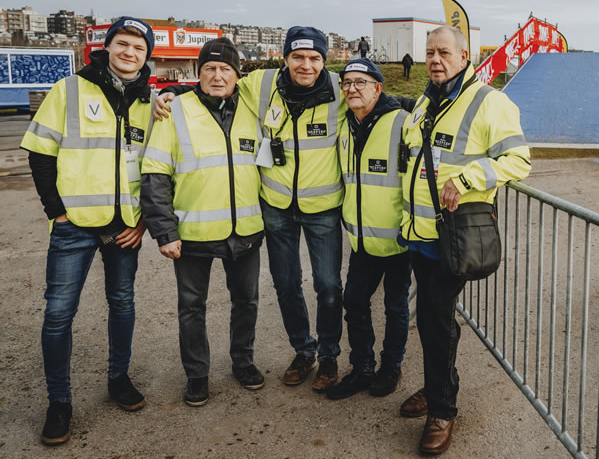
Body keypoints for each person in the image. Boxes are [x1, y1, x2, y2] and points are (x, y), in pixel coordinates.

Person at [152, 27, 348, 393]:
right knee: (287, 284)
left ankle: (331, 356)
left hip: (322, 208)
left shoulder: (339, 88)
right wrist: (168, 94)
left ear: (325, 61)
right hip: (275, 206)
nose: (306, 66)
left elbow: (378, 96)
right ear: (285, 58)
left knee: (329, 286)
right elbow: (215, 81)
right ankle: (304, 350)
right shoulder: (261, 84)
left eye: (315, 59)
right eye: (298, 57)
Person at [21, 17, 157, 445]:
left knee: (123, 304)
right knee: (59, 314)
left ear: (146, 55)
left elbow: (156, 168)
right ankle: (59, 402)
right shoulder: (71, 89)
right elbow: (40, 152)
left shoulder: (150, 102)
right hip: (74, 226)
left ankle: (118, 379)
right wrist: (56, 212)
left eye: (138, 47)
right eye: (122, 44)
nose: (129, 52)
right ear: (108, 46)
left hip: (125, 228)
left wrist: (142, 221)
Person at [397, 26, 531, 454]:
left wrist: (470, 177)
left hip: (454, 235)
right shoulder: (425, 100)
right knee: (434, 321)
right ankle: (437, 385)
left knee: (436, 317)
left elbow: (518, 159)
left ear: (464, 55)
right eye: (429, 52)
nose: (435, 60)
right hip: (420, 233)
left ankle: (442, 410)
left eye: (444, 53)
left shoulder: (491, 101)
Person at [141, 37, 266, 407]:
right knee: (191, 307)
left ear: (237, 74)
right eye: (209, 68)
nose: (217, 75)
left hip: (244, 231)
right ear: (198, 72)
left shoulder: (251, 109)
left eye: (225, 68)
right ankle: (197, 375)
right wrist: (164, 231)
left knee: (247, 301)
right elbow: (155, 172)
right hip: (191, 233)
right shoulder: (175, 110)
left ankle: (243, 362)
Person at [325, 58, 411, 401]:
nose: (352, 89)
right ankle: (362, 368)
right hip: (362, 240)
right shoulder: (344, 125)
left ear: (378, 87)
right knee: (355, 302)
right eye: (346, 83)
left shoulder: (402, 122)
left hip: (399, 239)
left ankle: (391, 367)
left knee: (395, 306)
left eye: (361, 82)